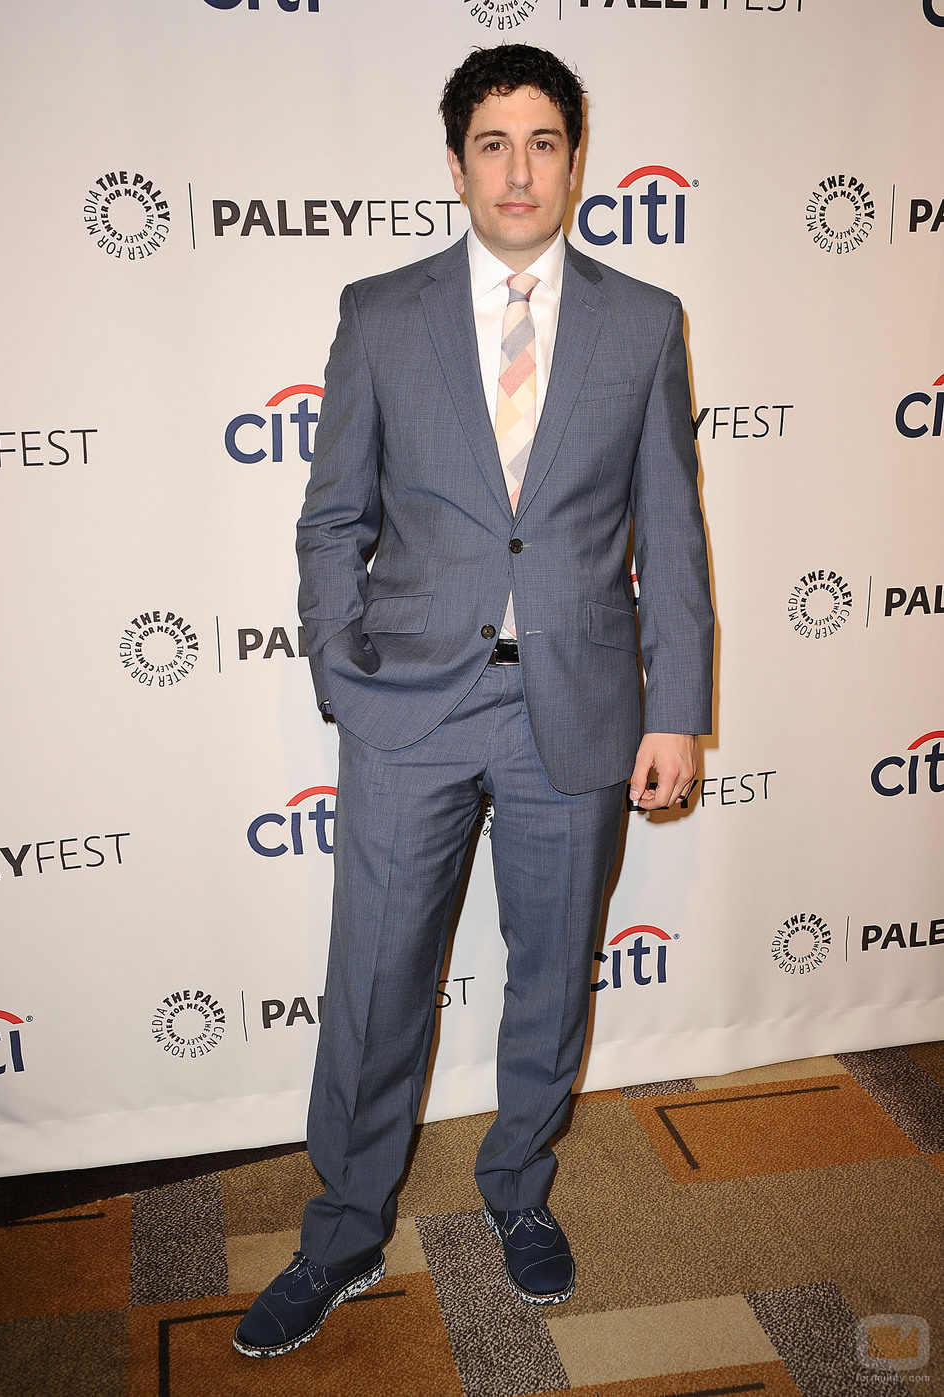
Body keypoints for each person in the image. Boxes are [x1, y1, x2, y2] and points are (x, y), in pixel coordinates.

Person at [234, 42, 713, 1359]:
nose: (519, 167)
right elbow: (334, 513)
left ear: (575, 159)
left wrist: (677, 704)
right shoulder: (381, 312)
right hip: (412, 708)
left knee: (554, 976)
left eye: (544, 140)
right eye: (492, 143)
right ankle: (340, 1230)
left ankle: (519, 1192)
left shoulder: (642, 320)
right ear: (456, 165)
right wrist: (343, 667)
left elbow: (671, 532)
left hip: (580, 709)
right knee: (378, 977)